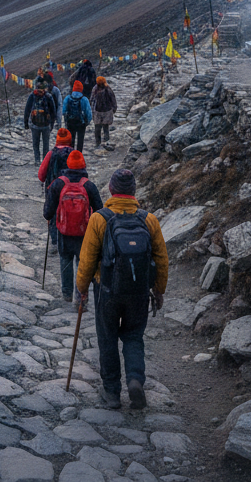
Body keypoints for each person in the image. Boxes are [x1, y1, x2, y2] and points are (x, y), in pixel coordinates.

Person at [75, 168, 168, 410]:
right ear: (134, 191)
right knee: (134, 337)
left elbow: (86, 260)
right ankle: (135, 381)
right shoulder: (149, 220)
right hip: (138, 292)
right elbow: (161, 258)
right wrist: (159, 290)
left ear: (112, 190)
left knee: (107, 338)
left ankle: (112, 393)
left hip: (106, 291)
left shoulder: (99, 218)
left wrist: (82, 289)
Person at [43, 149, 102, 302]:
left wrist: (50, 216)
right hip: (84, 232)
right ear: (83, 166)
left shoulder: (59, 183)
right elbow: (99, 210)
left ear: (68, 164)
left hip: (64, 231)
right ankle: (80, 294)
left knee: (65, 260)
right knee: (83, 262)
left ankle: (66, 293)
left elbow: (47, 213)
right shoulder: (89, 186)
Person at [39, 128, 75, 248]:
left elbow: (41, 175)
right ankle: (69, 238)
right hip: (71, 190)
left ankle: (55, 241)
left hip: (53, 188)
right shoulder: (74, 154)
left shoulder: (51, 154)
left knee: (53, 213)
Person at [24, 76, 57, 164]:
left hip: (34, 124)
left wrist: (26, 123)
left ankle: (37, 160)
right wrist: (52, 124)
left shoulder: (32, 95)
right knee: (45, 144)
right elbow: (53, 111)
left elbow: (27, 109)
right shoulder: (48, 96)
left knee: (36, 143)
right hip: (46, 124)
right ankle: (45, 161)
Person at [63, 82, 93, 151]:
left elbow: (64, 111)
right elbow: (88, 113)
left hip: (70, 122)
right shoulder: (84, 99)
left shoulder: (68, 98)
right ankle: (78, 155)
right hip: (81, 123)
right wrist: (87, 122)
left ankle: (70, 154)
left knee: (71, 140)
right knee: (80, 140)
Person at [90, 76, 118, 149]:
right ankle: (106, 141)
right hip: (107, 110)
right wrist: (114, 108)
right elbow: (113, 99)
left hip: (98, 110)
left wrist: (91, 109)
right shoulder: (108, 89)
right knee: (105, 127)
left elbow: (92, 99)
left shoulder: (95, 89)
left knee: (97, 128)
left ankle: (98, 142)